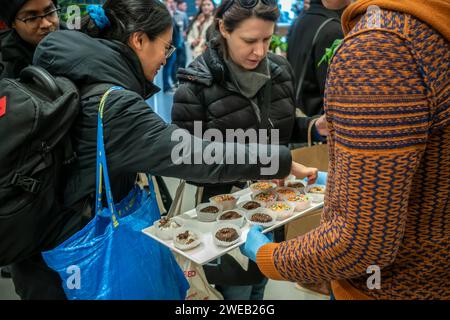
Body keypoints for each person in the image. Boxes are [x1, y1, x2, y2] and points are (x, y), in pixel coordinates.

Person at [12, 0, 316, 300]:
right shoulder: (115, 104)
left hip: (47, 245)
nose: (166, 58)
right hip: (79, 261)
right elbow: (194, 153)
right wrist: (281, 161)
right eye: (166, 46)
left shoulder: (77, 76)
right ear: (139, 40)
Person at [241, 0, 450, 300]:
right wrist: (347, 182)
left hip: (383, 288)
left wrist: (269, 256)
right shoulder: (424, 28)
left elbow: (363, 242)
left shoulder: (378, 47)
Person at [172, 0, 325, 300]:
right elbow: (188, 158)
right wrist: (263, 164)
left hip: (273, 206)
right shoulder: (195, 84)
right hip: (225, 212)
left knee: (260, 283)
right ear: (223, 30)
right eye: (249, 40)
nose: (260, 51)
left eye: (267, 39)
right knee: (237, 290)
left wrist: (313, 127)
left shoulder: (279, 71)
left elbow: (279, 129)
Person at [0, 0, 60, 282]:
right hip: (26, 211)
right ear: (13, 22)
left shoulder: (67, 50)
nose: (46, 22)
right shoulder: (6, 69)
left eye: (50, 10)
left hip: (67, 208)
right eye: (32, 17)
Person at [287, 0, 343, 118]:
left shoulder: (298, 21)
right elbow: (331, 94)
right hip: (317, 123)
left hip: (299, 116)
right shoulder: (333, 30)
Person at [0, 0, 60, 79]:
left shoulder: (77, 37)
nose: (46, 24)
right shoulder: (5, 69)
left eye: (50, 12)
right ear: (13, 24)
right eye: (32, 18)